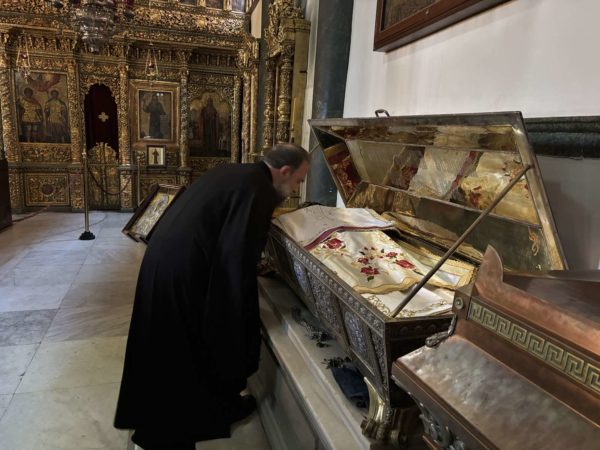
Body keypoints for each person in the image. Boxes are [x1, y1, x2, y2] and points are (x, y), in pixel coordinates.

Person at [114, 143, 310, 450]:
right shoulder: (259, 190)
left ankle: (191, 410)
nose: (296, 188)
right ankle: (174, 427)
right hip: (183, 271)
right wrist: (240, 312)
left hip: (165, 261)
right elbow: (236, 256)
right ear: (285, 171)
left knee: (167, 346)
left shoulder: (235, 171)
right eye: (298, 180)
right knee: (183, 349)